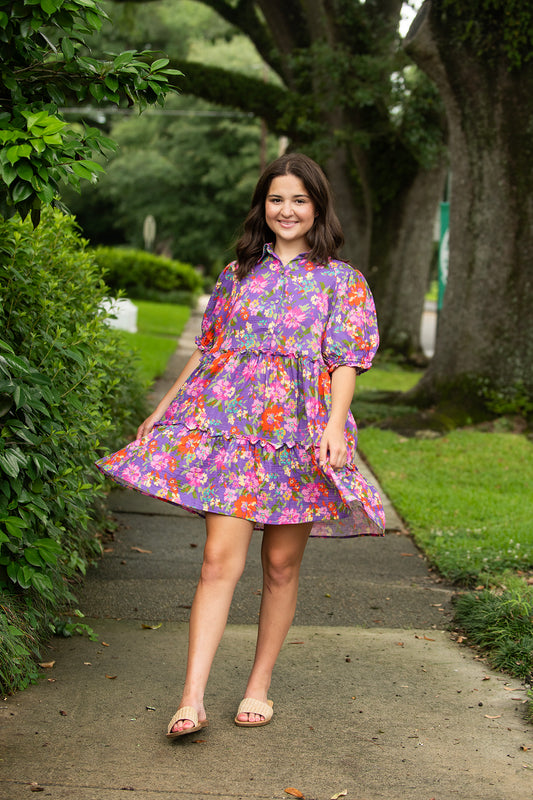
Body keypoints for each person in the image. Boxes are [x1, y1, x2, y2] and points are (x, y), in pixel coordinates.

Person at [96, 153, 385, 739]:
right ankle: (192, 698)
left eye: (299, 200)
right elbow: (209, 353)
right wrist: (163, 409)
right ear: (263, 205)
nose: (287, 210)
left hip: (299, 435)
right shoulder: (237, 273)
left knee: (280, 565)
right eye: (277, 199)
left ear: (317, 208)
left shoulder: (343, 280)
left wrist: (334, 424)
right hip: (232, 433)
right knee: (215, 562)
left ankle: (258, 687)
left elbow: (346, 361)